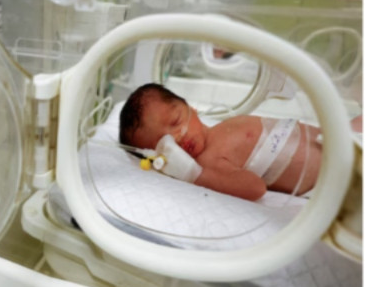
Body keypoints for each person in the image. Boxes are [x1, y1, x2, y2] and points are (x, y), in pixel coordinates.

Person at [119, 83, 324, 201]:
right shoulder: (208, 163)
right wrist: (193, 173)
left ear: (191, 108)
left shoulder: (221, 127)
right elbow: (256, 188)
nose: (178, 137)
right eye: (165, 144)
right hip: (325, 177)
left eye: (176, 120)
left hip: (330, 137)